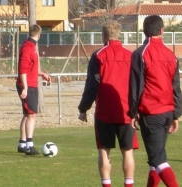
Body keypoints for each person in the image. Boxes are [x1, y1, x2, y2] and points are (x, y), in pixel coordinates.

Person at [78, 20, 139, 187]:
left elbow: (92, 84)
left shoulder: (98, 55)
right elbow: (138, 83)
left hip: (104, 112)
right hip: (126, 111)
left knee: (104, 152)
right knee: (127, 152)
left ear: (103, 35)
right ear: (119, 34)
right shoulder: (131, 55)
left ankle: (107, 184)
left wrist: (83, 108)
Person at [128, 15, 182, 187]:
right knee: (155, 158)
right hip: (167, 112)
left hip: (151, 112)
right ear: (161, 31)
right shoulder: (171, 55)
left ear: (144, 31)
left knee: (158, 159)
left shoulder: (140, 54)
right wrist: (176, 114)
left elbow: (136, 86)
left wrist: (132, 112)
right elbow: (176, 87)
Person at [16, 24, 50, 155]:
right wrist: (25, 87)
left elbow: (30, 67)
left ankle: (22, 143)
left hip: (30, 83)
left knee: (27, 114)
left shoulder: (31, 46)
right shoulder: (28, 48)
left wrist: (42, 74)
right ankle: (29, 145)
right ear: (39, 35)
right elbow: (23, 70)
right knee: (31, 114)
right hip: (28, 85)